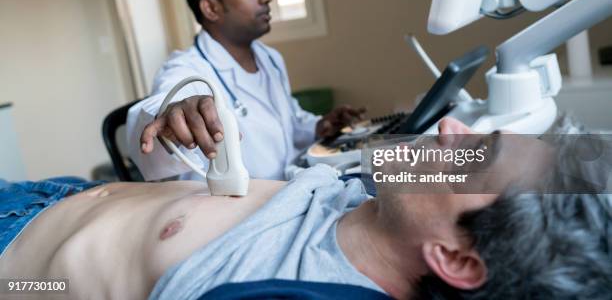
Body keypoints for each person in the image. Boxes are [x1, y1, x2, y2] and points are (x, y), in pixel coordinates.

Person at [1, 118, 610, 299]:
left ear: (455, 258)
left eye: (475, 153)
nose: (453, 127)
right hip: (56, 193)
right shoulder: (367, 205)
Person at [126, 0, 364, 181]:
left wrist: (318, 126)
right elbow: (165, 104)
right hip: (237, 210)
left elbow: (288, 120)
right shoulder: (188, 69)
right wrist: (172, 112)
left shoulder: (269, 58)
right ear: (211, 8)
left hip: (292, 188)